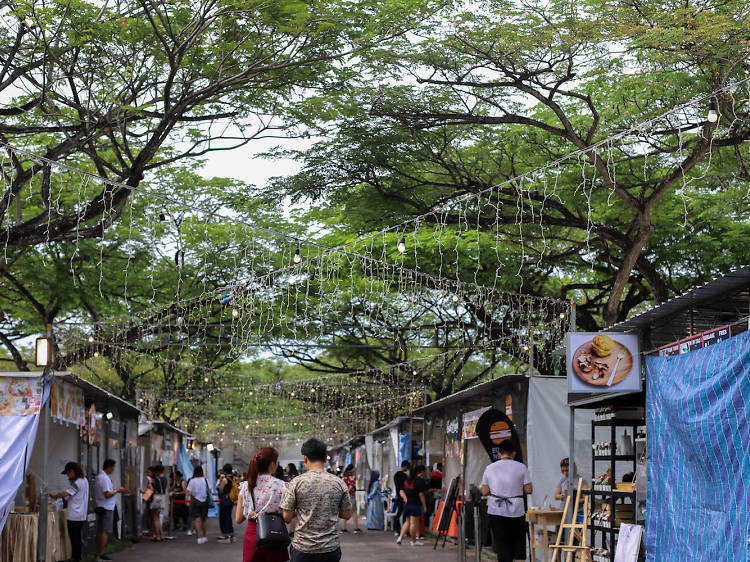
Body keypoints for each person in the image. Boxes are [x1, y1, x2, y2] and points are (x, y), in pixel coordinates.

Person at [281, 438, 352, 562]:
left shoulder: (296, 482)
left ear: (305, 458)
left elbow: (287, 517)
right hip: (330, 549)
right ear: (325, 458)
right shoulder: (338, 483)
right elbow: (347, 514)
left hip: (303, 549)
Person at [480, 440, 532, 562]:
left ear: (499, 454)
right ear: (513, 454)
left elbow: (484, 491)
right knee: (516, 539)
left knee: (501, 541)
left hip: (496, 510)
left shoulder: (490, 468)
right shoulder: (521, 467)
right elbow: (529, 489)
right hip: (516, 510)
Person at [235, 447, 289, 562]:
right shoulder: (282, 486)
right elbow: (287, 518)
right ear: (273, 464)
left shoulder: (245, 486)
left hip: (252, 534)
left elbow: (239, 519)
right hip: (275, 533)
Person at [50, 462, 89, 562]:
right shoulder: (84, 480)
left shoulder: (77, 483)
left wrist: (54, 495)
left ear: (72, 471)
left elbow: (65, 493)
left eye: (68, 474)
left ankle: (75, 558)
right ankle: (77, 557)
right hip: (81, 514)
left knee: (74, 537)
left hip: (74, 515)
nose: (68, 477)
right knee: (77, 537)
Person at [94, 458, 125, 562]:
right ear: (109, 467)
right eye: (113, 467)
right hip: (106, 507)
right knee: (105, 531)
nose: (114, 470)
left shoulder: (100, 477)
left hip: (102, 506)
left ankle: (99, 552)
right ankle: (101, 553)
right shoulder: (104, 478)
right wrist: (117, 490)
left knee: (101, 531)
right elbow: (107, 494)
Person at [396, 464, 427, 546]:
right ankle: (413, 541)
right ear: (421, 472)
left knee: (407, 522)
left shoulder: (407, 481)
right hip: (415, 504)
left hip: (406, 504)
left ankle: (400, 537)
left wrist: (405, 498)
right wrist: (424, 505)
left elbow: (401, 491)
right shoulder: (420, 481)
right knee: (413, 523)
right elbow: (421, 495)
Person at [186, 466, 211, 544]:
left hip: (195, 501)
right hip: (205, 501)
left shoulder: (192, 481)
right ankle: (204, 536)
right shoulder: (206, 480)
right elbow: (210, 490)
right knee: (204, 519)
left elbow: (188, 492)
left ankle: (198, 538)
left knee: (197, 520)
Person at [217, 463, 236, 543]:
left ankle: (227, 536)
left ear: (224, 471)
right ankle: (231, 535)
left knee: (224, 517)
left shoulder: (225, 479)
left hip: (225, 499)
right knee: (228, 516)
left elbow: (221, 489)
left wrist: (219, 487)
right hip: (231, 499)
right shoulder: (234, 478)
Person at [339, 464, 361, 533]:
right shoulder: (352, 478)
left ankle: (343, 528)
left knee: (345, 512)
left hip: (344, 497)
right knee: (354, 512)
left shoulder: (343, 478)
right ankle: (356, 528)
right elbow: (351, 487)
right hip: (351, 496)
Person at [392, 460, 410, 534]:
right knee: (405, 514)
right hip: (404, 496)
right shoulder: (404, 476)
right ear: (405, 466)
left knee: (398, 513)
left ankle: (396, 528)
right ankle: (405, 530)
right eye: (407, 467)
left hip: (398, 495)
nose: (408, 469)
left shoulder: (396, 475)